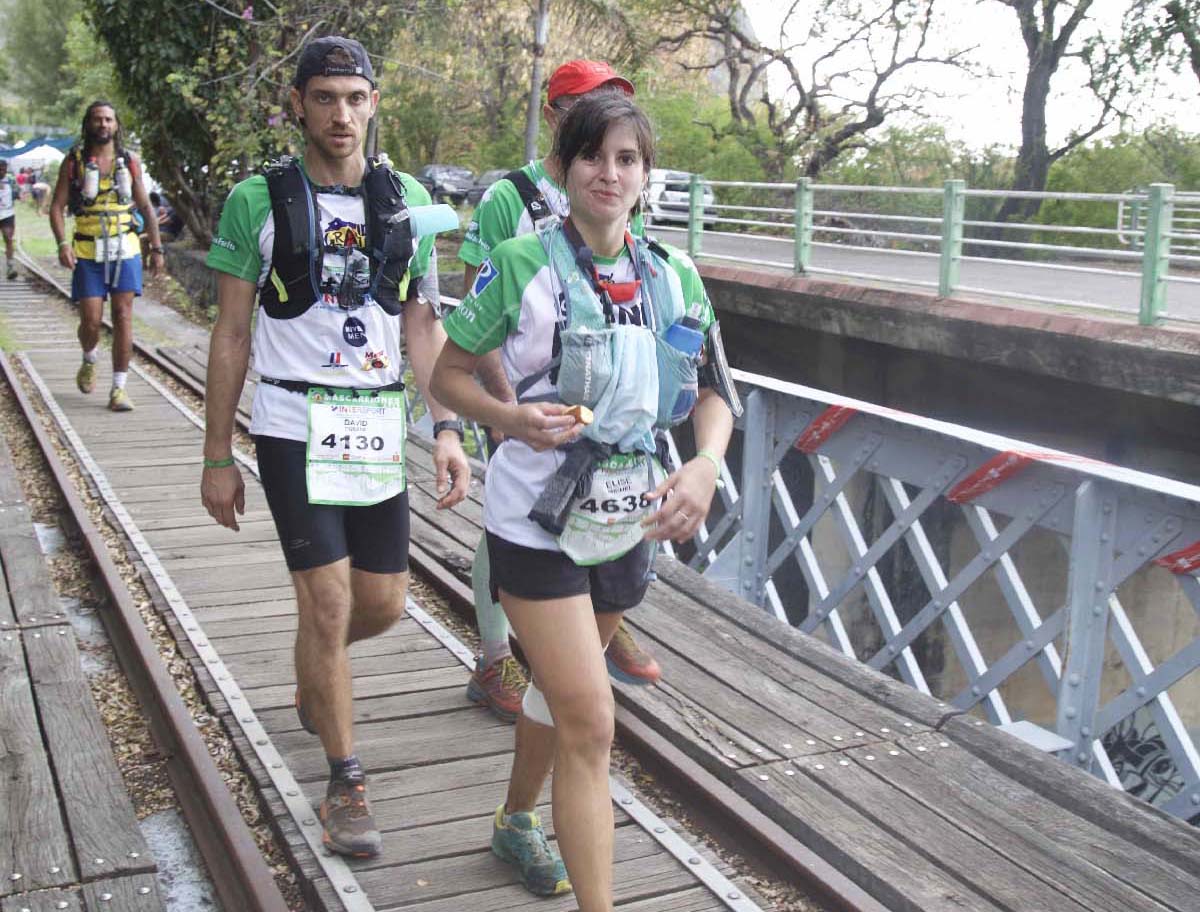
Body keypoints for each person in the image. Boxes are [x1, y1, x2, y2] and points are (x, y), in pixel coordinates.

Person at [433, 92, 739, 909]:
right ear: (563, 169)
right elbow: (447, 375)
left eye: (627, 159)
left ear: (647, 175)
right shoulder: (522, 265)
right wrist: (508, 420)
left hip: (624, 522)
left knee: (555, 695)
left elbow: (712, 391)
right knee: (592, 721)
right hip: (534, 524)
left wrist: (705, 463)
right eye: (593, 157)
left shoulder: (673, 276)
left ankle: (513, 822)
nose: (610, 173)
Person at [200, 36, 470, 859]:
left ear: (374, 103)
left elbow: (422, 325)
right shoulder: (258, 199)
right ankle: (345, 782)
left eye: (355, 98)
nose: (341, 114)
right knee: (326, 602)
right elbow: (232, 332)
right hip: (292, 423)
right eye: (324, 98)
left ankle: (317, 673)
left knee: (380, 606)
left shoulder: (407, 200)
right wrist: (217, 456)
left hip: (378, 427)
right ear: (297, 105)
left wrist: (449, 427)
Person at [458, 60, 661, 726]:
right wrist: (504, 404)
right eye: (586, 105)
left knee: (594, 516)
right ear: (555, 116)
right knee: (520, 511)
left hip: (605, 403)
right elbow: (476, 302)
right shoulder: (510, 197)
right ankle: (495, 652)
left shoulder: (619, 183)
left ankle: (591, 622)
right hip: (522, 390)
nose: (610, 164)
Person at [50, 100, 164, 412]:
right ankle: (89, 358)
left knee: (124, 316)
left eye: (109, 120)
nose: (104, 125)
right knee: (90, 320)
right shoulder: (73, 160)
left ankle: (119, 388)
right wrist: (63, 243)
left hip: (124, 248)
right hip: (88, 250)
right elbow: (57, 206)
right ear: (88, 124)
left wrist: (156, 248)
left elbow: (145, 208)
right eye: (98, 119)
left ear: (116, 125)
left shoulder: (129, 161)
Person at [0, 159, 16, 280]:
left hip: (7, 214)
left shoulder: (10, 180)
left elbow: (17, 193)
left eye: (4, 169)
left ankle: (10, 266)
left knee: (8, 238)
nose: (2, 171)